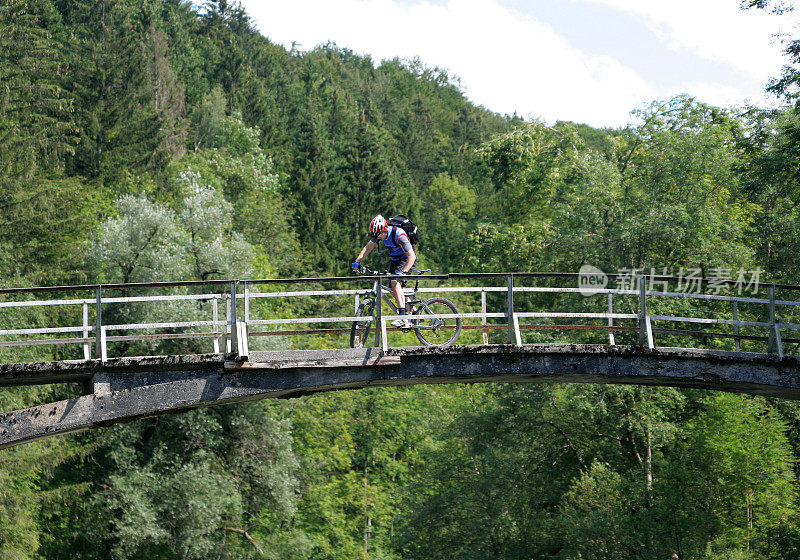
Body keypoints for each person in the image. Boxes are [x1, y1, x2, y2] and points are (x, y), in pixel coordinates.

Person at [351, 214, 417, 329]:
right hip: (395, 260)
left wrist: (405, 272)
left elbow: (412, 256)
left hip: (406, 260)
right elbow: (367, 248)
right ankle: (415, 313)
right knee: (393, 290)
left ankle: (403, 317)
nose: (377, 239)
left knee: (395, 283)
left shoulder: (399, 235)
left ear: (385, 229)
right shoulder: (379, 234)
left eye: (378, 236)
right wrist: (357, 261)